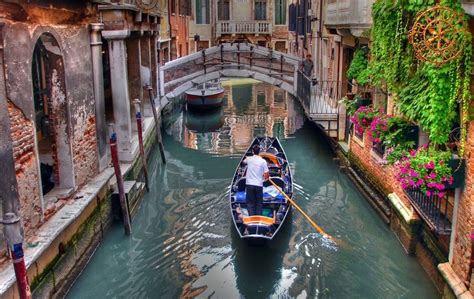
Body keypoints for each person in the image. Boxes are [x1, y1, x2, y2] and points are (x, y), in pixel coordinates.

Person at [244, 145, 270, 216]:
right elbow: (267, 175)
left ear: (252, 151)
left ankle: (251, 218)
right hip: (259, 185)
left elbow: (243, 161)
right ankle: (258, 219)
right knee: (259, 203)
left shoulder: (249, 159)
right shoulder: (263, 161)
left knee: (250, 203)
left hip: (249, 185)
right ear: (259, 152)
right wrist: (265, 177)